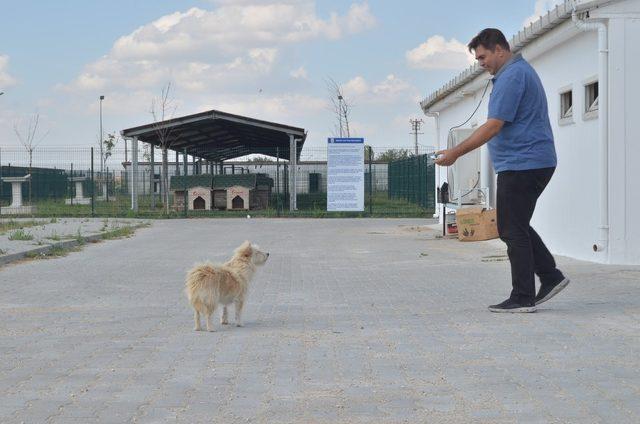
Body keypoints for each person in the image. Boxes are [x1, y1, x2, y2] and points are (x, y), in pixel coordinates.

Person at [434, 28, 569, 313]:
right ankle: (550, 277)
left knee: (511, 228)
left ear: (500, 49)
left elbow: (494, 125)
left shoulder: (512, 76)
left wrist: (456, 153)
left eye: (483, 56)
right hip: (527, 163)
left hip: (524, 163)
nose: (480, 63)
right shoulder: (514, 74)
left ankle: (523, 297)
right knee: (514, 224)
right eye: (478, 58)